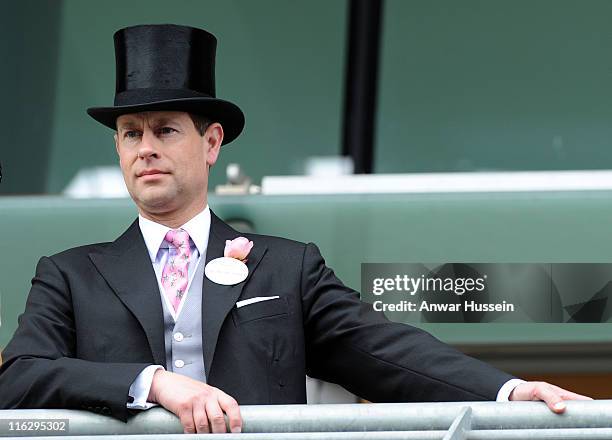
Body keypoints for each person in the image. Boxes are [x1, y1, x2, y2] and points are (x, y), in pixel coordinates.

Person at [0, 24, 590, 434]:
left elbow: (389, 354)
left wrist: (510, 393)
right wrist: (152, 384)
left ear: (211, 143)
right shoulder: (70, 274)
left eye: (165, 129)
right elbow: (18, 379)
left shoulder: (288, 266)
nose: (146, 149)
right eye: (132, 133)